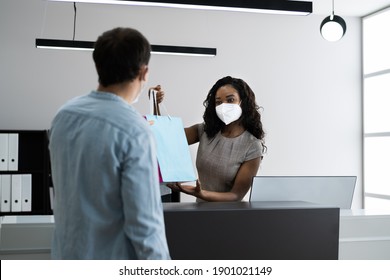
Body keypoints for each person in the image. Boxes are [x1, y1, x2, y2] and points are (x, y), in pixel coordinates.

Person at [48, 27, 170, 259]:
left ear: (98, 66)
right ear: (144, 72)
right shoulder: (135, 131)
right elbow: (145, 226)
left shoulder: (64, 116)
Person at [167, 76, 266, 202]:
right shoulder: (205, 131)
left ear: (243, 102)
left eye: (230, 100)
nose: (224, 106)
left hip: (228, 215)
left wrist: (201, 193)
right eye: (219, 102)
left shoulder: (252, 145)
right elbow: (167, 137)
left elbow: (236, 195)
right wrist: (156, 103)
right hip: (199, 212)